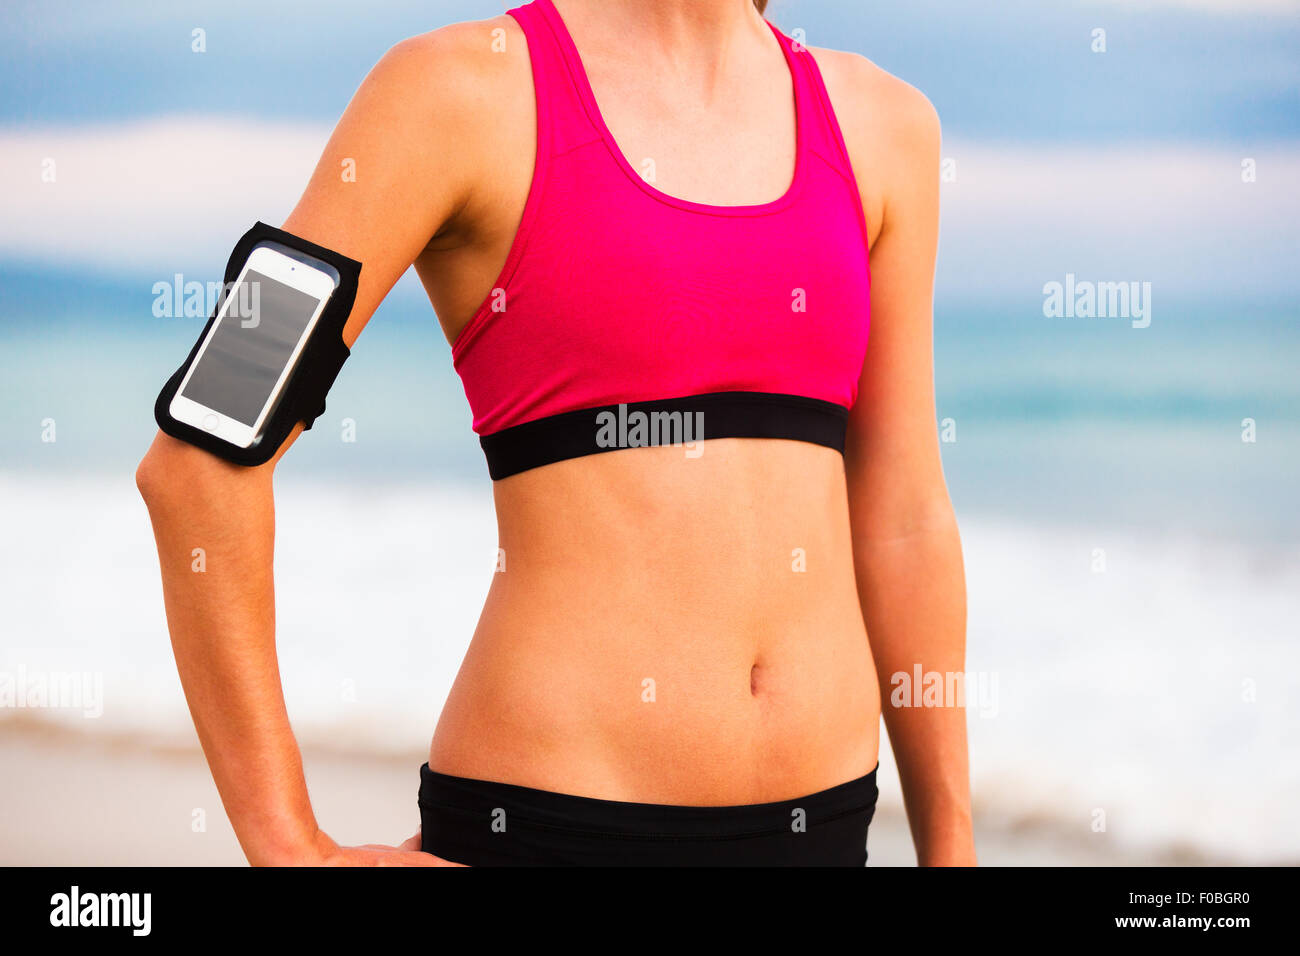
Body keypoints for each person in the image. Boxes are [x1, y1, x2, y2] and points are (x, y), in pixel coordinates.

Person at [136, 0, 974, 866]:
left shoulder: (885, 126)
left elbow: (904, 515)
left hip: (825, 831)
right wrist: (289, 846)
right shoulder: (450, 92)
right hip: (549, 828)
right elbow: (200, 457)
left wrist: (952, 850)